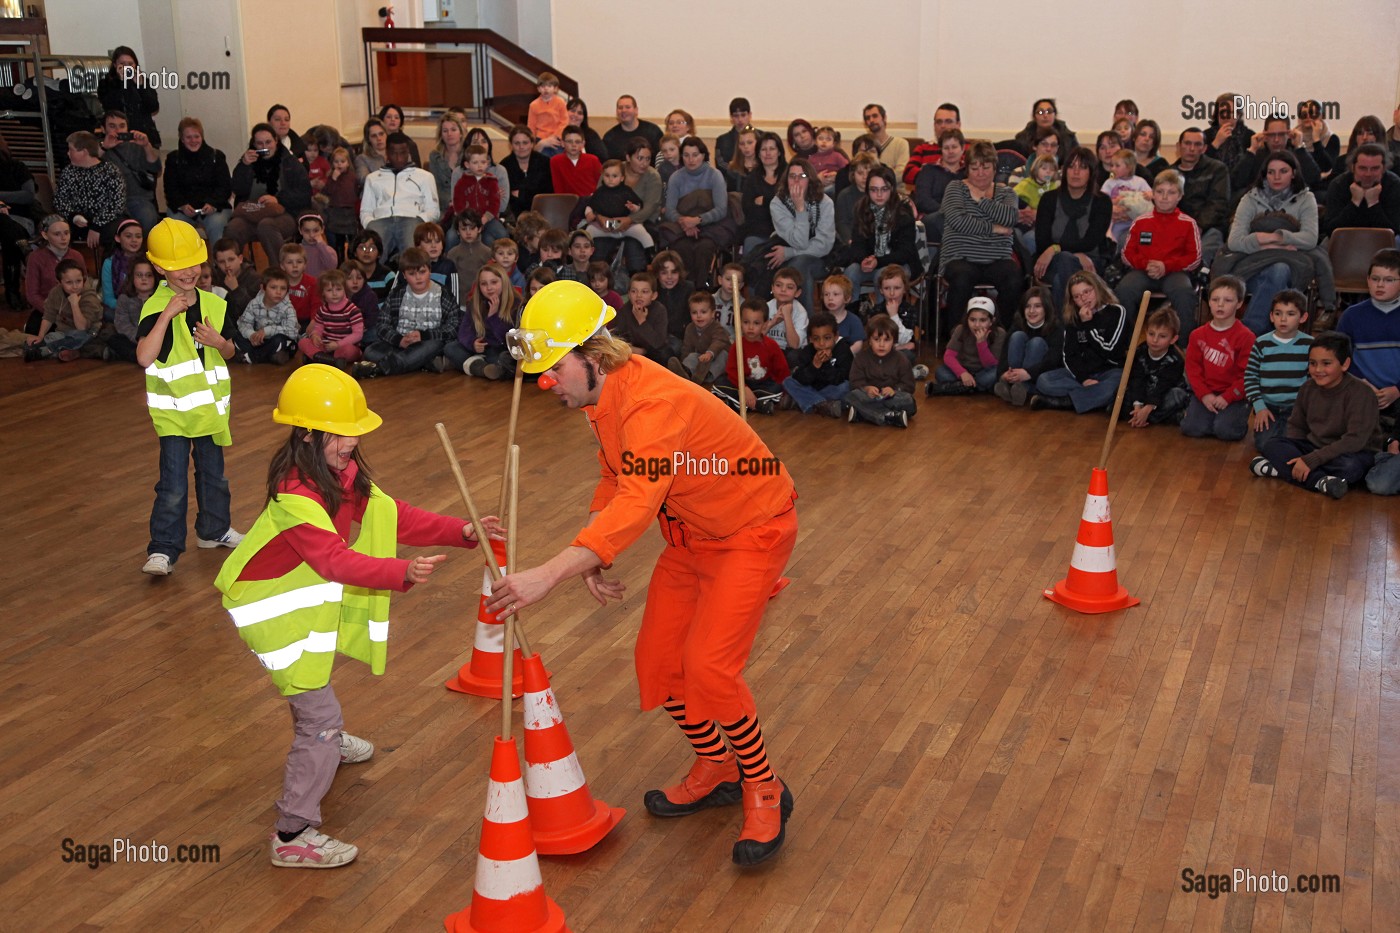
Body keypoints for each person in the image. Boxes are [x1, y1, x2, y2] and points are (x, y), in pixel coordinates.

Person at [486, 281, 798, 866]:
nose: (546, 382)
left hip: (752, 530)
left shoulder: (652, 405)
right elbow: (615, 478)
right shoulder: (602, 397)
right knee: (657, 664)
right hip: (692, 535)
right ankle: (720, 765)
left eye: (554, 368)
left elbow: (636, 500)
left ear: (591, 355)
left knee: (708, 668)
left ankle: (764, 785)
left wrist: (550, 572)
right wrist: (595, 554)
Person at [215, 364, 498, 868]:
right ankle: (293, 834)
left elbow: (394, 514)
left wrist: (463, 530)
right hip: (269, 609)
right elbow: (334, 560)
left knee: (311, 688)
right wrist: (401, 571)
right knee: (318, 714)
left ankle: (322, 741)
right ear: (307, 434)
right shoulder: (294, 495)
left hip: (296, 597)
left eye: (356, 433)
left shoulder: (340, 473)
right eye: (343, 434)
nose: (352, 443)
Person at [135, 219, 241, 575]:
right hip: (175, 416)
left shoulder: (215, 303)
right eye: (178, 266)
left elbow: (230, 352)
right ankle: (163, 549)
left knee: (215, 477)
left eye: (194, 263)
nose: (188, 272)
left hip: (209, 411)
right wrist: (166, 314)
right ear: (159, 267)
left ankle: (214, 530)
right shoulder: (155, 306)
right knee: (174, 483)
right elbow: (144, 357)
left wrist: (220, 343)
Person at [1250, 332, 1380, 499]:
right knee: (1272, 444)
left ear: (1345, 364)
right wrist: (1303, 454)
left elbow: (1354, 440)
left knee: (1350, 468)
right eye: (1312, 363)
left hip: (1352, 452)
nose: (1318, 370)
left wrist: (1310, 460)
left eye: (1326, 363)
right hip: (1314, 447)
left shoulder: (1362, 393)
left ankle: (1280, 470)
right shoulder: (1307, 388)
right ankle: (1321, 482)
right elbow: (1297, 426)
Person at [1223, 150, 1320, 334]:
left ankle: (1248, 335)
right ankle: (1271, 339)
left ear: (1294, 173)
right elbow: (1234, 241)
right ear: (1264, 174)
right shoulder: (1250, 198)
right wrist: (1268, 241)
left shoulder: (1306, 199)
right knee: (1277, 280)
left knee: (1279, 270)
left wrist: (1279, 236)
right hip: (1251, 269)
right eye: (1271, 172)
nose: (1276, 177)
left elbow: (1310, 239)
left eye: (1283, 171)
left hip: (1292, 269)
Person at [940, 140, 1023, 332]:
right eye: (975, 168)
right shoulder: (955, 188)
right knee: (962, 277)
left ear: (994, 168)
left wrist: (981, 200)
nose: (980, 173)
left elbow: (1010, 217)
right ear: (967, 169)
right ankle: (956, 337)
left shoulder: (1006, 192)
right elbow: (958, 221)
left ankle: (1005, 335)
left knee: (1013, 277)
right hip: (961, 258)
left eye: (985, 167)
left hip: (997, 259)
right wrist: (996, 228)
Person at [1115, 170, 1203, 333]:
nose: (1164, 197)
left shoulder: (1188, 223)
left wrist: (1166, 266)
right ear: (1152, 194)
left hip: (1175, 272)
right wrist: (1146, 264)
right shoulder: (1141, 222)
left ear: (1180, 196)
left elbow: (1194, 258)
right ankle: (1122, 344)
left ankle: (1184, 347)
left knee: (1184, 293)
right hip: (1143, 270)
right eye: (1160, 192)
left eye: (1171, 193)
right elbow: (1127, 254)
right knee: (1123, 290)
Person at [1032, 270, 1129, 413]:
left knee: (1120, 382)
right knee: (1044, 381)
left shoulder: (1116, 312)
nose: (1083, 299)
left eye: (1087, 292)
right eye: (1077, 296)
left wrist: (1088, 325)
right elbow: (1069, 356)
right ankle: (1097, 399)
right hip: (1082, 374)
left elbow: (1111, 351)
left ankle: (1064, 402)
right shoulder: (1073, 318)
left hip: (1109, 370)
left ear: (1097, 288)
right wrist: (1084, 379)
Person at [353, 247, 459, 378]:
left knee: (433, 346)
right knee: (371, 351)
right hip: (401, 343)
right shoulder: (397, 293)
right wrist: (399, 340)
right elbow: (382, 324)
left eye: (422, 272)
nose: (418, 278)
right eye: (412, 274)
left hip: (427, 342)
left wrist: (424, 335)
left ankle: (380, 368)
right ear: (404, 275)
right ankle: (422, 363)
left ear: (429, 270)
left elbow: (454, 326)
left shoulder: (443, 294)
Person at [1033, 147, 1112, 309]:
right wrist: (1066, 252)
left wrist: (1056, 248)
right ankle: (1073, 326)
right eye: (1071, 166)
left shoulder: (1102, 202)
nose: (1076, 172)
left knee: (1063, 270)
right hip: (1050, 262)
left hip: (1090, 261)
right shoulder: (1049, 199)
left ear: (1091, 172)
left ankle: (1062, 328)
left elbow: (1090, 242)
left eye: (1082, 167)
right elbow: (1042, 242)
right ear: (1064, 171)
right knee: (1065, 260)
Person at [1181, 275, 1255, 441]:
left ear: (1239, 303)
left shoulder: (1246, 337)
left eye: (1228, 300)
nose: (1220, 304)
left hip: (1233, 396)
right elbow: (1193, 370)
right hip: (1206, 392)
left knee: (1226, 432)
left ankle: (1237, 415)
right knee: (1192, 428)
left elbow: (1248, 375)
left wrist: (1227, 397)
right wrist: (1204, 394)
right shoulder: (1197, 335)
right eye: (1215, 299)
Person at [228, 123, 312, 262]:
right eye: (259, 143)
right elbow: (237, 189)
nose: (264, 147)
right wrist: (244, 166)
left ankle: (279, 273)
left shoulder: (290, 162)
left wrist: (278, 199)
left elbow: (304, 193)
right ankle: (235, 273)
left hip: (284, 214)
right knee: (233, 228)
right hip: (252, 212)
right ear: (254, 144)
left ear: (276, 141)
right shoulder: (248, 162)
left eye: (268, 142)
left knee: (266, 226)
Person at [1336, 248, 1400, 426]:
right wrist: (1360, 383)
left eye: (1389, 280)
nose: (1380, 285)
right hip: (1361, 389)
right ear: (1367, 280)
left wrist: (1397, 390)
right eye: (1375, 279)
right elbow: (1340, 356)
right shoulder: (1351, 315)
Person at [1245, 290, 1313, 451]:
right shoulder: (1261, 343)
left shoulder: (1310, 344)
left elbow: (1313, 380)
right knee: (1265, 446)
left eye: (1290, 314)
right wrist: (1260, 407)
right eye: (1278, 313)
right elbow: (1250, 377)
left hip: (1296, 409)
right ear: (1271, 316)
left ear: (1302, 317)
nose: (1283, 319)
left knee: (1298, 444)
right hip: (1268, 407)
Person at [760, 158, 835, 302]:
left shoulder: (825, 202)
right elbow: (799, 241)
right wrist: (800, 208)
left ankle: (804, 321)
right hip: (784, 255)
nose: (796, 181)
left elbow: (823, 245)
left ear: (811, 180)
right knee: (766, 264)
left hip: (820, 258)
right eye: (792, 176)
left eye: (802, 177)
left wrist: (800, 209)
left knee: (799, 264)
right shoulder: (778, 203)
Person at [660, 138, 732, 288]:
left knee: (704, 248)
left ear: (704, 155)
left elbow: (721, 209)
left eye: (695, 155)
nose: (691, 159)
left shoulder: (715, 175)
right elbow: (670, 209)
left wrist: (698, 220)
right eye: (686, 155)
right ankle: (684, 288)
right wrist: (685, 222)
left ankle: (700, 289)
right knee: (681, 248)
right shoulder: (676, 177)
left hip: (710, 226)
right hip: (682, 226)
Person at [842, 163, 921, 295]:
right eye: (874, 189)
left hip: (900, 263)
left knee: (883, 276)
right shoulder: (862, 208)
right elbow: (857, 244)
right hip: (872, 261)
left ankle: (883, 314)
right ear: (867, 190)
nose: (879, 194)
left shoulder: (903, 211)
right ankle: (852, 313)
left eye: (884, 189)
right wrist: (863, 260)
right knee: (851, 272)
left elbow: (905, 252)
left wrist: (878, 261)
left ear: (892, 189)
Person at [359, 133, 439, 260]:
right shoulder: (373, 178)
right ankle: (375, 279)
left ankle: (411, 277)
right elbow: (366, 210)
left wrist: (420, 220)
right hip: (381, 219)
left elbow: (433, 210)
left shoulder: (425, 177)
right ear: (387, 153)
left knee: (412, 255)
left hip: (411, 219)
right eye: (393, 153)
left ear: (408, 152)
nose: (399, 158)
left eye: (402, 153)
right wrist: (370, 223)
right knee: (371, 251)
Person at [163, 116, 232, 243]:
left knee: (216, 224)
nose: (193, 140)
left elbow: (225, 187)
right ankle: (184, 261)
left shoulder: (217, 157)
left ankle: (219, 261)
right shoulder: (173, 159)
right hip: (183, 209)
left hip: (214, 208)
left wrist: (212, 204)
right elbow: (170, 188)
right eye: (188, 137)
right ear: (182, 139)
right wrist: (183, 205)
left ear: (202, 137)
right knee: (176, 224)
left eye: (196, 136)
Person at [714, 297, 788, 414]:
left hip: (762, 386)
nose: (750, 327)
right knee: (719, 384)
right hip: (741, 383)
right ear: (739, 322)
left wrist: (783, 390)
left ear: (765, 324)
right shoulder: (737, 345)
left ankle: (739, 404)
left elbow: (782, 371)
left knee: (778, 388)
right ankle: (758, 405)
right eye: (746, 322)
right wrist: (744, 388)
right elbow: (732, 370)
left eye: (756, 323)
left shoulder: (771, 345)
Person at [1169, 127, 1231, 265]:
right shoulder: (1169, 173)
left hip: (1209, 227)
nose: (1191, 148)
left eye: (1197, 144)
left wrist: (1198, 226)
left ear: (1204, 148)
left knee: (1200, 254)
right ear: (1179, 146)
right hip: (1177, 228)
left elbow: (1218, 204)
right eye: (1187, 143)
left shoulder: (1218, 169)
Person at [55, 131, 127, 249]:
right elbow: (59, 200)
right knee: (59, 230)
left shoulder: (110, 171)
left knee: (113, 233)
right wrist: (73, 216)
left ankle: (108, 265)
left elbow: (116, 204)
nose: (68, 153)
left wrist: (96, 225)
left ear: (84, 152)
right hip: (77, 219)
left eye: (71, 150)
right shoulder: (68, 171)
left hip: (105, 220)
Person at [447, 261, 518, 379]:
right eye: (483, 284)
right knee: (451, 348)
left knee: (502, 359)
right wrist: (472, 343)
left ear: (504, 282)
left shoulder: (515, 304)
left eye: (494, 282)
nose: (489, 288)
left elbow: (506, 339)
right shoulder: (475, 303)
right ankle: (481, 368)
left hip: (499, 349)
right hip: (480, 349)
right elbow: (464, 331)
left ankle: (474, 365)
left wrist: (493, 317)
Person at [845, 313, 916, 428]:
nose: (881, 344)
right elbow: (854, 381)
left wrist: (895, 390)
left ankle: (864, 413)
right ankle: (889, 416)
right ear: (869, 340)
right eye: (877, 339)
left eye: (887, 340)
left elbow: (909, 385)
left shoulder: (901, 359)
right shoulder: (861, 358)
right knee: (851, 396)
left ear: (894, 341)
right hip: (869, 396)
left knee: (909, 401)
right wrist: (866, 388)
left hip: (892, 397)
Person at [23, 258, 101, 362]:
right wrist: (40, 336)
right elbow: (48, 316)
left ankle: (46, 351)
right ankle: (64, 350)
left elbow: (82, 327)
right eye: (69, 282)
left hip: (88, 332)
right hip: (64, 332)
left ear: (84, 279)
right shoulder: (55, 293)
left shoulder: (89, 296)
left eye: (79, 281)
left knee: (79, 336)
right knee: (44, 339)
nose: (75, 286)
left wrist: (74, 304)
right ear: (59, 282)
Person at [1122, 307, 1189, 427]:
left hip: (1163, 394)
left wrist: (1147, 409)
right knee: (1120, 394)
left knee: (1178, 395)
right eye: (1151, 334)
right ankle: (1145, 417)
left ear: (1173, 339)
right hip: (1145, 392)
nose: (1155, 340)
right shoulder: (1140, 352)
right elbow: (1137, 379)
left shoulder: (1175, 360)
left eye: (1162, 336)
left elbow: (1163, 386)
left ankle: (1143, 417)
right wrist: (1137, 406)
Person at [994, 287, 1061, 407]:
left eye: (1037, 306)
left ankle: (1023, 386)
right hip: (1016, 369)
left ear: (1047, 308)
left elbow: (1053, 359)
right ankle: (1014, 384)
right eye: (1027, 306)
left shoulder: (1056, 328)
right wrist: (1003, 373)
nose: (1031, 311)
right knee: (1017, 336)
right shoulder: (1017, 324)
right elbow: (1005, 351)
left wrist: (1028, 372)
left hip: (1037, 373)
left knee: (1037, 342)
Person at [779, 309, 851, 417]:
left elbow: (841, 378)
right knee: (788, 381)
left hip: (831, 389)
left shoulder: (843, 349)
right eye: (816, 339)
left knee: (846, 387)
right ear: (810, 339)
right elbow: (800, 378)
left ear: (836, 336)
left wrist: (826, 364)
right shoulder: (808, 351)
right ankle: (822, 405)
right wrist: (814, 365)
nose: (822, 343)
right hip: (811, 387)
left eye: (827, 338)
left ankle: (800, 401)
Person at [1230, 115, 1323, 196]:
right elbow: (1236, 183)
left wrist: (1300, 148)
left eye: (1281, 135)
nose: (1276, 140)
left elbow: (1314, 180)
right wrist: (1252, 150)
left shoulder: (1297, 153)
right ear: (1265, 135)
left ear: (1289, 135)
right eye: (1271, 135)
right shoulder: (1256, 155)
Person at [1321, 143, 1400, 238]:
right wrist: (1354, 203)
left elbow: (1395, 231)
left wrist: (1373, 204)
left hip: (1384, 244)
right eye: (1362, 168)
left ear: (1383, 168)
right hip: (1345, 241)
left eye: (1375, 168)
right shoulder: (1338, 184)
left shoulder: (1394, 184)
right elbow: (1330, 230)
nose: (1368, 174)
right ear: (1353, 167)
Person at [930, 296, 1005, 395]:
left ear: (992, 321)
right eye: (972, 320)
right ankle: (974, 388)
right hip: (963, 368)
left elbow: (991, 364)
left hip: (984, 371)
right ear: (967, 319)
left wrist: (981, 343)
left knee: (994, 374)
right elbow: (948, 356)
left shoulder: (999, 333)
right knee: (940, 372)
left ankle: (956, 388)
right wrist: (962, 373)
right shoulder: (960, 330)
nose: (977, 325)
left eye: (982, 320)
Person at [97, 46, 161, 147]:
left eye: (130, 64)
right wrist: (122, 82)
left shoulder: (143, 81)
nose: (127, 67)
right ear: (115, 65)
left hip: (144, 134)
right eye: (122, 64)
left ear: (135, 65)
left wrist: (141, 86)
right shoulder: (106, 83)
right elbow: (109, 106)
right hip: (119, 136)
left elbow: (153, 107)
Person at [299, 269, 363, 367]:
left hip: (344, 347)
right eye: (329, 290)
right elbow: (317, 329)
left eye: (338, 289)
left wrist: (338, 344)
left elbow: (358, 334)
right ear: (323, 293)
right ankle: (330, 360)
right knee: (303, 342)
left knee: (349, 351)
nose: (334, 293)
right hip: (327, 347)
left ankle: (318, 358)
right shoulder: (322, 310)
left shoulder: (352, 310)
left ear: (344, 289)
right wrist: (315, 336)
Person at [235, 268, 299, 365]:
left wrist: (267, 331)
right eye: (273, 287)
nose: (278, 292)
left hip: (276, 341)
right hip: (259, 342)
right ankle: (266, 355)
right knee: (236, 335)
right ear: (263, 288)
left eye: (283, 288)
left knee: (280, 341)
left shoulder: (288, 308)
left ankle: (251, 357)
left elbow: (292, 331)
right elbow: (244, 323)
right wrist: (251, 335)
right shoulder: (254, 304)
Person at [668, 290, 731, 385]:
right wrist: (685, 360)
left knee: (724, 356)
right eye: (694, 312)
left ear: (713, 313)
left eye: (703, 312)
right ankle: (686, 372)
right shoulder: (690, 328)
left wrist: (709, 353)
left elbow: (718, 341)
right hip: (701, 360)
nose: (699, 316)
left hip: (715, 357)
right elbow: (686, 348)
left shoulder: (717, 327)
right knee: (692, 356)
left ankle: (706, 376)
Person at [739, 132, 785, 254]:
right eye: (763, 149)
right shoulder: (752, 178)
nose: (768, 153)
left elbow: (790, 204)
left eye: (772, 149)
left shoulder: (789, 175)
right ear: (758, 153)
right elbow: (748, 209)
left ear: (779, 152)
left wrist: (765, 201)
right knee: (751, 244)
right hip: (758, 231)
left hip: (786, 232)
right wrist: (775, 203)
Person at [25, 214, 81, 313]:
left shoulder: (77, 256)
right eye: (57, 234)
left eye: (66, 233)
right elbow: (32, 294)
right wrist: (52, 310)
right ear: (45, 235)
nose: (64, 238)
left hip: (75, 308)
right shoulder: (35, 258)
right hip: (47, 310)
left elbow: (85, 285)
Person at [612, 270, 670, 362]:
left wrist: (642, 321)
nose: (639, 296)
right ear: (629, 294)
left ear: (654, 295)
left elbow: (658, 343)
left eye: (644, 292)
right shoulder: (624, 311)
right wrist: (634, 350)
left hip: (654, 353)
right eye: (634, 291)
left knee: (665, 353)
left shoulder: (660, 310)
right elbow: (615, 339)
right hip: (632, 352)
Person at [903, 103, 962, 190]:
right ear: (934, 125)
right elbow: (908, 174)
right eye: (939, 122)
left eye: (948, 121)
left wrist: (929, 175)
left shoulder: (968, 148)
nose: (943, 126)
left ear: (958, 124)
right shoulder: (923, 148)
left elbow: (973, 175)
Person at [1102, 150, 1154, 246]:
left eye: (1117, 166)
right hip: (1116, 222)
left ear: (1129, 167)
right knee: (1112, 239)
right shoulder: (1110, 182)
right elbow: (1102, 200)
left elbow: (1150, 194)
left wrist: (1149, 194)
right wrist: (1114, 201)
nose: (1113, 168)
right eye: (1112, 165)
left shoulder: (1139, 181)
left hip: (1134, 220)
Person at [503, 123, 553, 217]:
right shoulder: (504, 166)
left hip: (543, 213)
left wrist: (522, 194)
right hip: (515, 215)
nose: (521, 147)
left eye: (525, 143)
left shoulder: (545, 163)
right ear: (511, 145)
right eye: (517, 143)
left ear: (532, 144)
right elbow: (508, 198)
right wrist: (532, 193)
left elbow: (547, 192)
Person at [1203, 93, 1255, 178]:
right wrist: (1216, 143)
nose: (1226, 116)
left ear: (1238, 115)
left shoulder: (1249, 136)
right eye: (1222, 112)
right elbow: (1200, 165)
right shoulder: (1205, 136)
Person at [100, 218, 146, 315]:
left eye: (138, 236)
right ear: (118, 238)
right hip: (121, 307)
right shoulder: (109, 263)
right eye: (128, 236)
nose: (134, 240)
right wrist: (127, 306)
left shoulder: (148, 261)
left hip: (146, 307)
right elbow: (108, 298)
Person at [603, 94, 663, 160]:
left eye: (628, 107)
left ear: (636, 110)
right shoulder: (609, 137)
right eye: (620, 108)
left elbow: (662, 158)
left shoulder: (653, 131)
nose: (623, 110)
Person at [549, 126, 603, 197]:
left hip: (591, 201)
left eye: (577, 142)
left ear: (583, 144)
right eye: (569, 141)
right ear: (562, 143)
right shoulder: (555, 161)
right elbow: (558, 188)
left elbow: (601, 182)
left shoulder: (593, 160)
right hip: (568, 202)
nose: (574, 145)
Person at [1013, 98, 1078, 156]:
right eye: (1040, 112)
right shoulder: (1022, 139)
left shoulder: (1068, 138)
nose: (1045, 115)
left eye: (1049, 111)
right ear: (1034, 116)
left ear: (1055, 115)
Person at [861, 103, 908, 179]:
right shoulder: (863, 146)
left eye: (875, 116)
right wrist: (890, 170)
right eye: (867, 118)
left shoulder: (901, 144)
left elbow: (901, 173)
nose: (871, 120)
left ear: (884, 118)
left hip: (896, 190)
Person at [714, 97, 753, 169]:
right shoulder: (722, 140)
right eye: (736, 116)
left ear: (750, 115)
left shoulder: (761, 136)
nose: (740, 119)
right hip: (731, 178)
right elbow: (720, 164)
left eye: (743, 115)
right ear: (731, 117)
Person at [566, 97, 609, 163]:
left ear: (584, 117)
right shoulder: (554, 132)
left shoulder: (591, 135)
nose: (575, 115)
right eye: (572, 111)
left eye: (580, 113)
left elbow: (603, 158)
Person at [355, 119, 388, 183]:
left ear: (386, 135)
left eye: (381, 134)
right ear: (368, 140)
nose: (379, 138)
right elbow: (364, 180)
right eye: (374, 136)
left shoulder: (398, 154)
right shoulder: (362, 159)